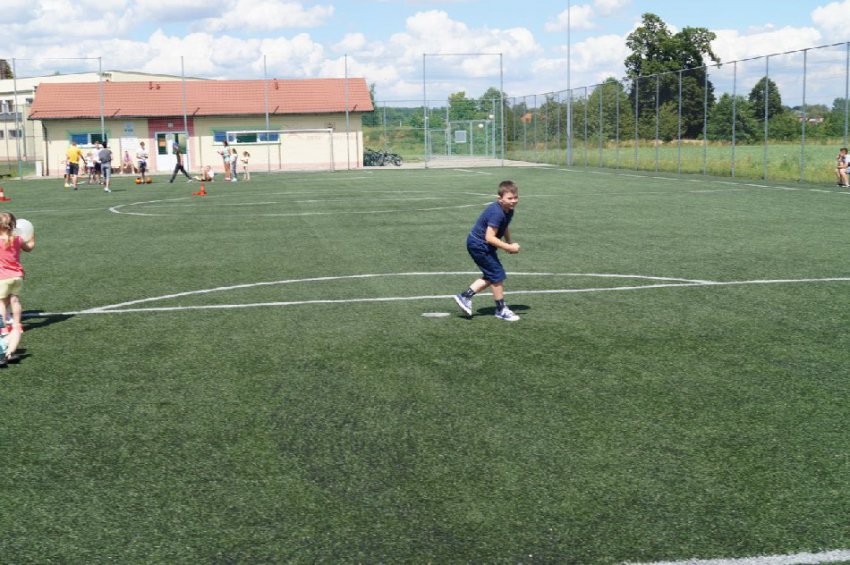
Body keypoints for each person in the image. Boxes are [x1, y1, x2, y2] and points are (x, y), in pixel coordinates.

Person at [453, 180, 521, 322]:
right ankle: (501, 309)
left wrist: (509, 242)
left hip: (482, 245)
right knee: (497, 274)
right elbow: (489, 237)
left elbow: (504, 226)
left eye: (515, 197)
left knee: (491, 274)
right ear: (500, 199)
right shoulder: (497, 213)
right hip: (479, 245)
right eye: (509, 198)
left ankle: (465, 296)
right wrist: (508, 247)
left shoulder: (508, 210)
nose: (513, 201)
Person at [0, 212, 35, 365]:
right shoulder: (18, 239)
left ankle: (2, 324)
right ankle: (15, 323)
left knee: (1, 301)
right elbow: (29, 248)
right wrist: (32, 236)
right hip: (17, 277)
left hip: (2, 278)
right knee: (15, 300)